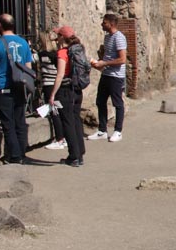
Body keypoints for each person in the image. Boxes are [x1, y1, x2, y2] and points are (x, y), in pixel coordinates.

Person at [0, 13, 32, 164]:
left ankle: (15, 156)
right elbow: (28, 67)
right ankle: (22, 152)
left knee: (8, 123)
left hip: (3, 86)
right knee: (20, 121)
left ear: (0, 25)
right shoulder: (23, 43)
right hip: (20, 86)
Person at [49, 26, 87, 166]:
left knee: (67, 122)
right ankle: (80, 153)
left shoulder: (62, 53)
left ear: (61, 37)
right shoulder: (78, 49)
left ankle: (73, 156)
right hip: (77, 90)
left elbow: (60, 75)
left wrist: (52, 94)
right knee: (76, 120)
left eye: (57, 35)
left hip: (65, 90)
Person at [87, 13, 127, 142]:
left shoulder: (119, 37)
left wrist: (105, 63)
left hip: (116, 76)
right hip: (106, 74)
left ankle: (118, 131)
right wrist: (98, 63)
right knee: (100, 101)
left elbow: (122, 59)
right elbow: (107, 56)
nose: (102, 25)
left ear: (111, 24)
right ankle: (102, 130)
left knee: (117, 103)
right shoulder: (107, 37)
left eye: (104, 22)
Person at [36, 31, 66, 151]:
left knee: (54, 113)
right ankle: (64, 137)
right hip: (59, 85)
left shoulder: (43, 54)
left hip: (49, 86)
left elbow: (30, 59)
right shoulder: (57, 54)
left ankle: (60, 139)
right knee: (60, 112)